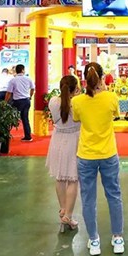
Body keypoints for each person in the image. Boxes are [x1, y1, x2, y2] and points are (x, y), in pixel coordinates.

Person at [71, 62, 125, 256]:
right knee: (114, 195)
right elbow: (117, 114)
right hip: (108, 153)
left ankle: (94, 240)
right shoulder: (111, 97)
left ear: (84, 79)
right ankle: (118, 238)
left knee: (88, 198)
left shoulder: (77, 101)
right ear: (102, 78)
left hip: (86, 155)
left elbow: (76, 119)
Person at [45, 75, 81, 233]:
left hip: (57, 140)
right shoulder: (77, 104)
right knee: (73, 179)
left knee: (60, 177)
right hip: (74, 140)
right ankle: (68, 215)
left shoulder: (53, 101)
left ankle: (63, 210)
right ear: (76, 88)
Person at [5, 64, 35, 142]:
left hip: (17, 101)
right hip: (26, 100)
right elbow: (32, 89)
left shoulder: (13, 80)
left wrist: (5, 102)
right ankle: (28, 136)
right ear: (22, 70)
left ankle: (6, 135)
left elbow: (9, 93)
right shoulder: (28, 79)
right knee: (25, 119)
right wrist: (30, 96)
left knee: (10, 118)